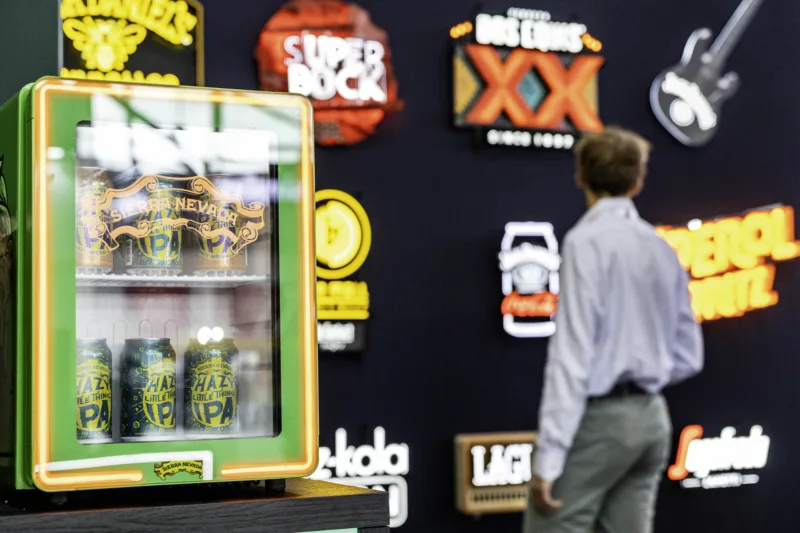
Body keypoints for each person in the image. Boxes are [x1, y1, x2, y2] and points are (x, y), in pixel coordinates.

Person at [523, 127, 704, 533]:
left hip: (602, 422)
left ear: (580, 176)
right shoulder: (660, 246)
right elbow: (690, 356)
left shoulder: (584, 242)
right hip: (652, 420)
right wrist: (644, 371)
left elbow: (571, 357)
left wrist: (548, 460)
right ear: (638, 181)